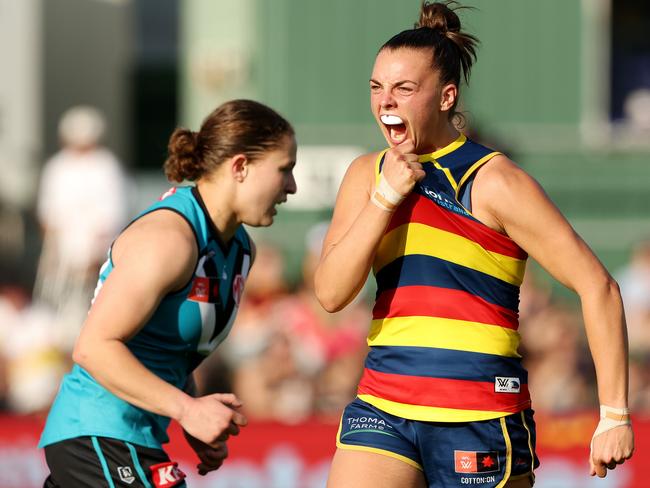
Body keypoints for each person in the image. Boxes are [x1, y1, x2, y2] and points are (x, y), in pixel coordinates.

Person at [314, 2, 634, 487]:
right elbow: (332, 295)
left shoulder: (495, 181)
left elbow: (599, 287)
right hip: (382, 406)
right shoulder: (366, 175)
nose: (386, 104)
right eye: (377, 89)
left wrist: (614, 414)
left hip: (480, 415)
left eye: (404, 89)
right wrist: (384, 199)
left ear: (446, 97)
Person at [38, 99, 297, 487]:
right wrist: (187, 409)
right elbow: (93, 347)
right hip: (97, 433)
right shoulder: (169, 239)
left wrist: (191, 413)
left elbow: (165, 349)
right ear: (241, 167)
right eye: (285, 170)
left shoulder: (241, 249)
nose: (291, 187)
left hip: (130, 440)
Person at [35, 106, 130, 351]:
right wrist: (54, 256)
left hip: (93, 261)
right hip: (61, 263)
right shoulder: (57, 167)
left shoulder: (106, 166)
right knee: (53, 320)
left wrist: (96, 257)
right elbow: (48, 216)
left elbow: (112, 217)